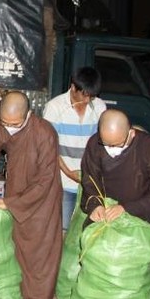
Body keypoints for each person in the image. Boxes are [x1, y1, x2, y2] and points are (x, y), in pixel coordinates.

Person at [0, 91, 63, 299]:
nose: (9, 128)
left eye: (15, 124)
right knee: (15, 247)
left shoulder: (44, 133)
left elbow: (45, 179)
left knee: (40, 253)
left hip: (42, 198)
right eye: (5, 123)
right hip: (15, 188)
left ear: (29, 115)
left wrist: (13, 203)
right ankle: (17, 298)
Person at [80, 109, 150, 228]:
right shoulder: (95, 143)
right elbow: (90, 178)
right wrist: (96, 204)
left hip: (140, 220)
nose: (111, 149)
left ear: (131, 133)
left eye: (117, 145)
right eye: (106, 144)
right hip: (105, 213)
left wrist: (127, 209)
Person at [42, 67, 107, 229]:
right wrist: (68, 172)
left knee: (87, 228)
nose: (87, 101)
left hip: (91, 180)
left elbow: (102, 144)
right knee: (62, 228)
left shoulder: (99, 107)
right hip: (63, 179)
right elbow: (50, 147)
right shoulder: (54, 107)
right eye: (84, 95)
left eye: (91, 97)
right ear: (73, 87)